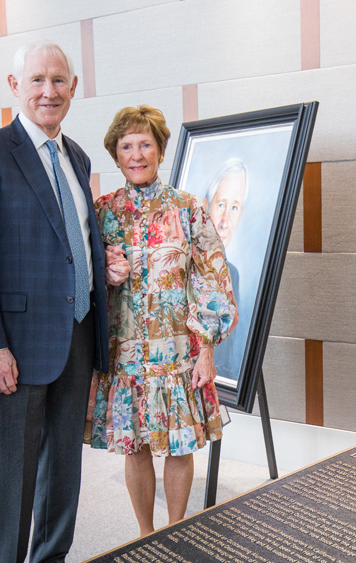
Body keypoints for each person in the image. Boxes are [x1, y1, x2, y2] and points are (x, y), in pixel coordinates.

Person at [0, 40, 110, 562]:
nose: (49, 90)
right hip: (15, 347)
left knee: (65, 467)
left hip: (77, 334)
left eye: (59, 80)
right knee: (13, 475)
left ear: (74, 88)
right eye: (36, 80)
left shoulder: (78, 156)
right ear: (15, 86)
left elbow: (73, 244)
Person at [92, 105, 237, 536]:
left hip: (178, 353)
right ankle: (145, 533)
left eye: (145, 145)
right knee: (134, 446)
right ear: (116, 156)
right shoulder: (102, 212)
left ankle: (175, 530)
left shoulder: (188, 208)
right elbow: (78, 278)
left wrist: (207, 348)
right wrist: (104, 272)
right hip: (126, 355)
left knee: (179, 446)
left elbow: (213, 276)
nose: (136, 154)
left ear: (160, 151)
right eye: (126, 146)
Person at [204, 158, 249, 381]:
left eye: (234, 208)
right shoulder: (180, 266)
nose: (225, 221)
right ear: (205, 206)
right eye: (221, 205)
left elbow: (228, 357)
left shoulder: (233, 275)